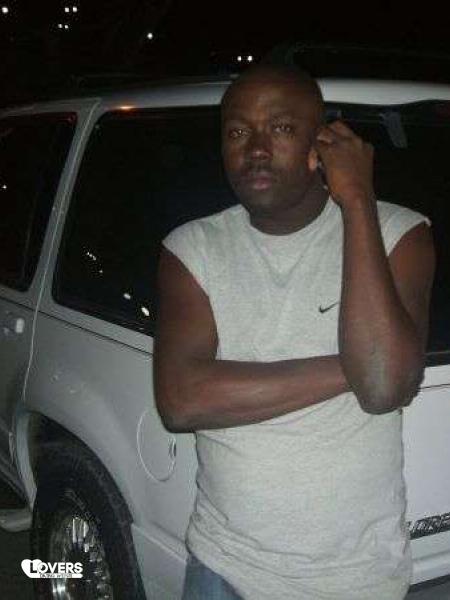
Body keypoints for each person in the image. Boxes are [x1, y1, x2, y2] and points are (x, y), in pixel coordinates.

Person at [153, 63, 435, 600]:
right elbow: (182, 400)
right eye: (238, 132)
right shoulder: (192, 248)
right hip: (223, 566)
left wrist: (357, 200)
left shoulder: (398, 233)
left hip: (355, 578)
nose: (256, 149)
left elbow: (383, 388)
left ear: (320, 145)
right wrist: (355, 364)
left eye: (281, 128)